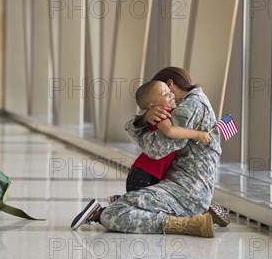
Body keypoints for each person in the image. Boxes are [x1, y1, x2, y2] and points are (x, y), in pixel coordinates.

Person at [71, 67, 227, 238]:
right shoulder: (194, 101)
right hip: (185, 186)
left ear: (169, 84)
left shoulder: (189, 107)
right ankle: (196, 210)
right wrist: (146, 117)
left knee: (112, 214)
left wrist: (143, 123)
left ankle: (189, 224)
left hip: (186, 191)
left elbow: (156, 149)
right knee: (125, 202)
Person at [123, 79, 211, 193]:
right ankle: (108, 209)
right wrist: (198, 134)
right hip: (144, 175)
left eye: (169, 91)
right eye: (165, 94)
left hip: (149, 174)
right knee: (143, 206)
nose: (171, 94)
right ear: (152, 106)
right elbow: (170, 131)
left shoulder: (170, 112)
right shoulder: (161, 115)